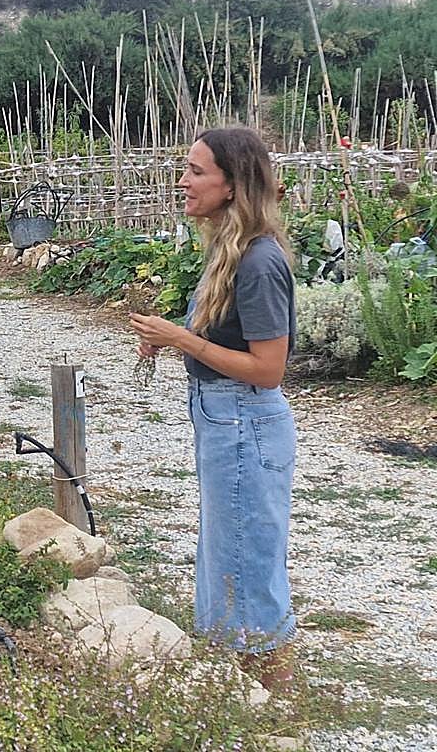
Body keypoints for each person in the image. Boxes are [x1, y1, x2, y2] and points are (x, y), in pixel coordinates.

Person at [128, 127, 297, 691]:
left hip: (245, 420)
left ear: (232, 184)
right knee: (230, 553)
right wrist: (178, 338)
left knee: (246, 560)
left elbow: (269, 369)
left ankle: (274, 701)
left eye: (196, 171)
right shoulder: (230, 251)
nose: (183, 180)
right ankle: (241, 693)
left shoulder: (257, 261)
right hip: (224, 419)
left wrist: (184, 341)